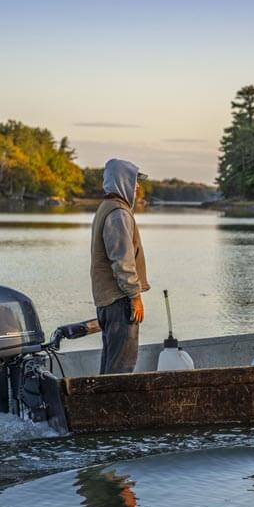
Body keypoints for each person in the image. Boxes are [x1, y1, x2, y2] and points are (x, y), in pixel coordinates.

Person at [90, 158, 150, 374]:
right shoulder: (118, 213)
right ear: (123, 181)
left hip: (108, 302)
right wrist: (134, 296)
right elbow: (122, 261)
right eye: (134, 181)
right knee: (121, 369)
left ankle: (100, 407)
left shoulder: (106, 208)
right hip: (120, 301)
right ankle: (112, 408)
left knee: (111, 367)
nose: (137, 186)